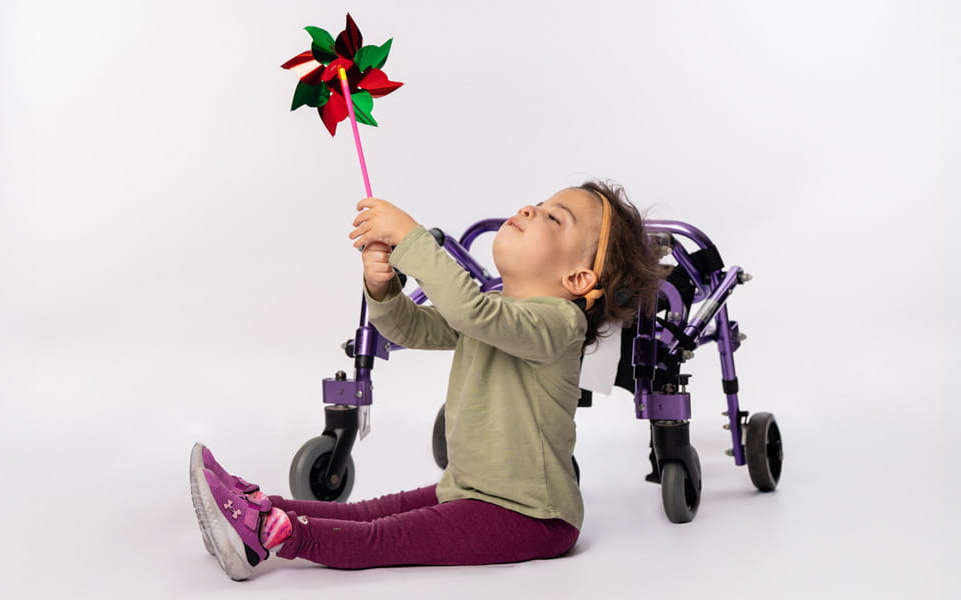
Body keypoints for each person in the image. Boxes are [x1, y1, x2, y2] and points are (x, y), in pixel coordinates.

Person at [190, 179, 666, 580]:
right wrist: (384, 288)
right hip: (470, 491)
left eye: (553, 219)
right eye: (538, 205)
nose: (528, 209)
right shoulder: (495, 312)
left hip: (529, 516)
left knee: (382, 537)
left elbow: (469, 311)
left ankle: (265, 536)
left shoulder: (561, 324)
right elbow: (409, 328)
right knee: (370, 511)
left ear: (579, 280)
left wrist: (413, 239)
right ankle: (258, 506)